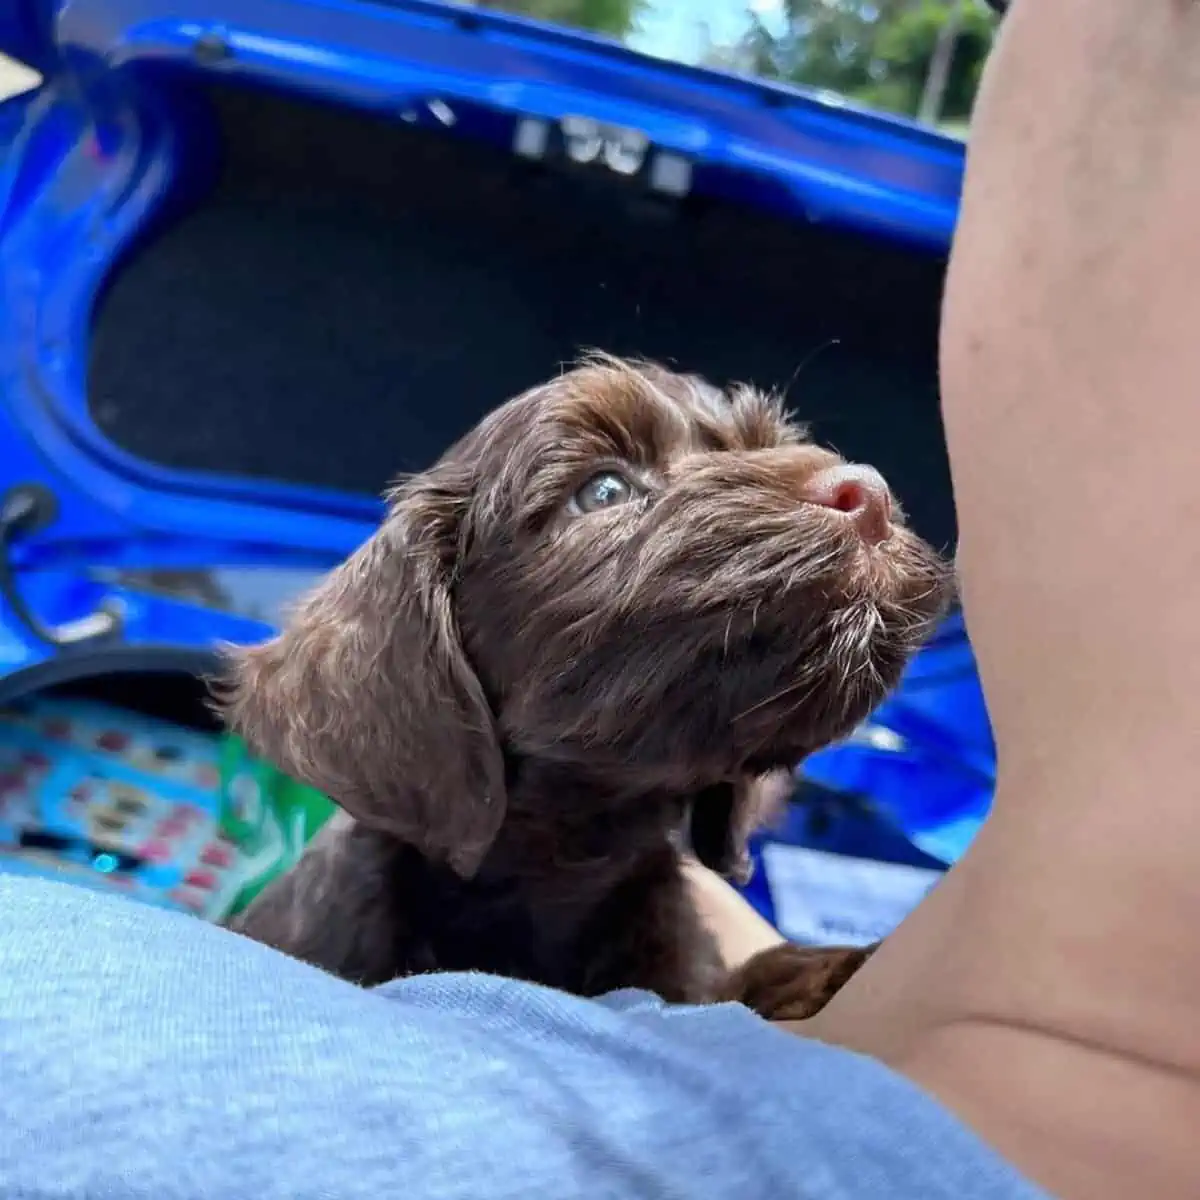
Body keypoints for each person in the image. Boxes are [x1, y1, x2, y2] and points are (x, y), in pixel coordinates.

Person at [1, 0, 1196, 1194]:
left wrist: (761, 986)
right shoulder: (230, 1011)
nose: (851, 485)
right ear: (429, 642)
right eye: (608, 488)